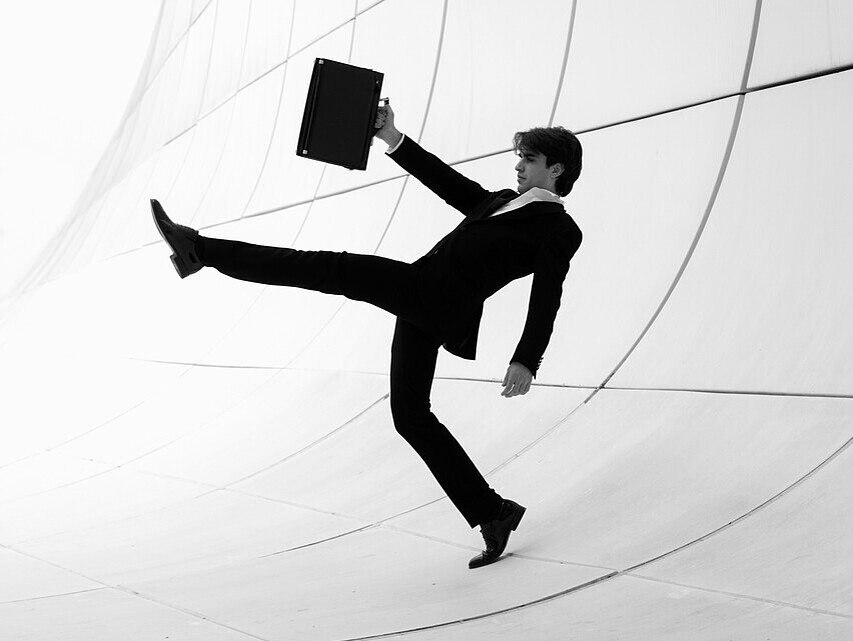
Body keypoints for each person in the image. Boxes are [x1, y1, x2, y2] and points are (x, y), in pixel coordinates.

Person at [150, 102, 583, 569]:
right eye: (519, 158)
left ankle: (198, 248)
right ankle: (493, 513)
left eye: (530, 160)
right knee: (410, 417)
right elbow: (449, 184)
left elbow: (547, 298)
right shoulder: (502, 198)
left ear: (555, 168)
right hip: (422, 297)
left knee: (324, 266)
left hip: (428, 297)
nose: (518, 166)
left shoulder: (559, 230)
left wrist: (526, 360)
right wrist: (392, 137)